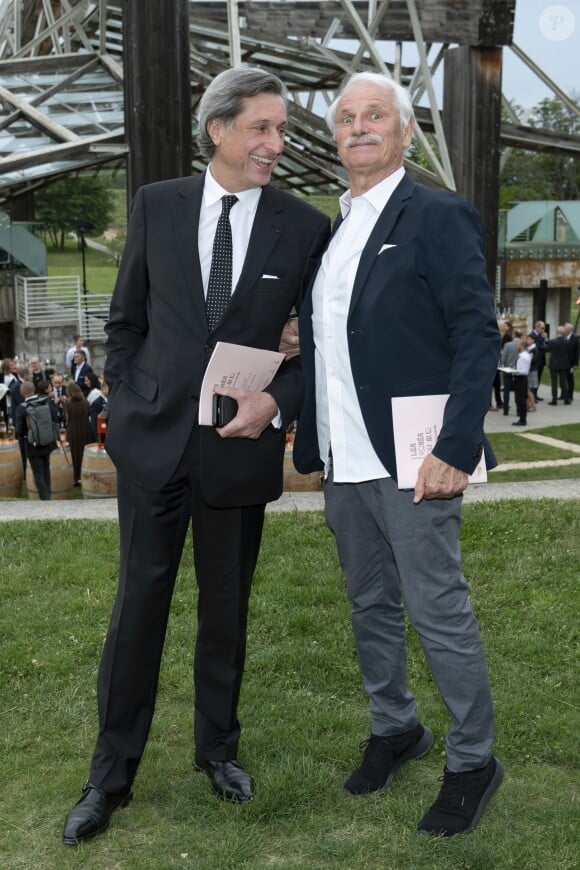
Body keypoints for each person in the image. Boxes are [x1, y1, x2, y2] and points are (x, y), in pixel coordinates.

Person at [62, 66, 330, 846]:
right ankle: (109, 775)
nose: (276, 144)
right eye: (263, 128)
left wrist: (274, 400)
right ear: (218, 129)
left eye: (282, 130)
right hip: (152, 450)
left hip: (238, 455)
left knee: (226, 612)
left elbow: (315, 350)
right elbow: (125, 320)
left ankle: (218, 752)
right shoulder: (157, 205)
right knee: (136, 611)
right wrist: (135, 394)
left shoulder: (302, 226)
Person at [293, 71, 503, 838]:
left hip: (415, 462)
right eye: (345, 118)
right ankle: (396, 729)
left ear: (405, 131)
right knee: (370, 607)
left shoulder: (438, 216)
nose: (357, 127)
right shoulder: (335, 228)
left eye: (373, 114)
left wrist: (455, 446)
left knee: (436, 609)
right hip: (345, 462)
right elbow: (330, 344)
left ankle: (473, 760)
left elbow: (477, 335)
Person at [15, 379, 58, 500]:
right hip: (48, 441)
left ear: (22, 393)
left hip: (32, 444)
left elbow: (19, 430)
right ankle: (48, 494)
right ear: (34, 390)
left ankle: (45, 498)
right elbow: (55, 418)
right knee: (46, 468)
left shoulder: (22, 408)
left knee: (37, 472)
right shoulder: (46, 401)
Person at [64, 381, 92, 485]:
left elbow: (66, 419)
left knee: (74, 454)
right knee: (84, 453)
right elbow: (89, 414)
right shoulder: (86, 402)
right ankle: (85, 476)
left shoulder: (67, 404)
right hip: (85, 429)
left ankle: (75, 478)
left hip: (73, 430)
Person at [546, 326, 571, 405]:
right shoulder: (567, 341)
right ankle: (566, 399)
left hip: (554, 363)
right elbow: (569, 351)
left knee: (554, 382)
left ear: (557, 332)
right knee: (563, 382)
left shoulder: (552, 341)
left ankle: (554, 400)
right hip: (564, 363)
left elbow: (547, 350)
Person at [512, 338, 531, 426]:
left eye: (519, 344)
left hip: (521, 378)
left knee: (521, 399)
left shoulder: (523, 356)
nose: (517, 346)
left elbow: (523, 371)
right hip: (520, 378)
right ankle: (522, 418)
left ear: (522, 346)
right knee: (520, 398)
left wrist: (513, 371)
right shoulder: (524, 355)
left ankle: (523, 419)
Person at [563, 323, 578, 401]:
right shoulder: (563, 337)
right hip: (562, 362)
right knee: (563, 379)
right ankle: (563, 394)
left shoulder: (575, 338)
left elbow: (577, 352)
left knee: (569, 379)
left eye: (565, 329)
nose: (564, 330)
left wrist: (575, 364)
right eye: (564, 329)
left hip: (571, 363)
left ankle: (570, 395)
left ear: (570, 330)